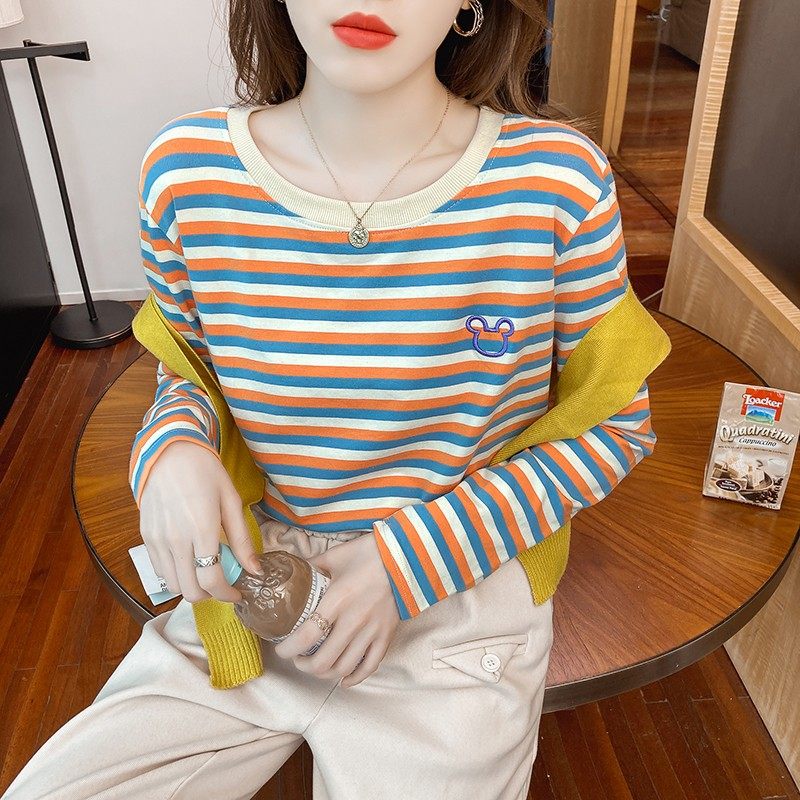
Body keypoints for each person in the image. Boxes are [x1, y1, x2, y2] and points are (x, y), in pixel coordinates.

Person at [2, 0, 663, 798]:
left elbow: (614, 423)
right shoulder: (187, 173)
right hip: (253, 578)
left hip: (458, 598)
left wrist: (403, 564)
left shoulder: (556, 182)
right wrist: (172, 449)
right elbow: (189, 375)